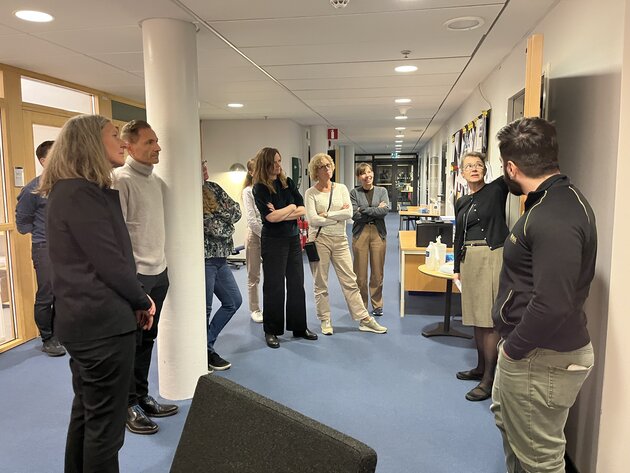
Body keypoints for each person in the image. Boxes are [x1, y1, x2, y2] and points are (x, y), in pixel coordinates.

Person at [39, 114, 155, 473]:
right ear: (90, 142)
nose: (123, 142)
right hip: (100, 325)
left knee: (88, 414)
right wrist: (140, 298)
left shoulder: (71, 190)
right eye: (114, 135)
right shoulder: (81, 193)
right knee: (105, 428)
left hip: (87, 321)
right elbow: (110, 260)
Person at [491, 117, 596, 473]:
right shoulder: (553, 201)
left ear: (510, 167)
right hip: (534, 352)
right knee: (516, 435)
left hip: (539, 356)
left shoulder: (553, 215)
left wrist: (513, 350)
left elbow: (552, 303)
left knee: (541, 460)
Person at [113, 120, 178, 435]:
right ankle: (127, 405)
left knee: (148, 340)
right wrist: (130, 281)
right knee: (131, 342)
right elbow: (118, 236)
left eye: (157, 141)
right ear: (128, 145)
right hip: (135, 276)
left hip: (159, 272)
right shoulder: (119, 180)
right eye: (150, 142)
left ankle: (141, 396)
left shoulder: (156, 182)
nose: (158, 148)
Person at [304, 154, 387, 336]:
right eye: (322, 167)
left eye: (329, 165)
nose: (327, 169)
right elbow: (312, 219)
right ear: (315, 171)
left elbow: (349, 213)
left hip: (340, 240)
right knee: (320, 283)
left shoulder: (341, 188)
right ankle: (325, 319)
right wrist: (334, 215)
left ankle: (364, 319)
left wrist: (326, 215)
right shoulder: (311, 193)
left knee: (350, 280)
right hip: (319, 240)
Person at [452, 151, 509, 402]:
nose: (474, 169)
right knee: (476, 316)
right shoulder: (461, 200)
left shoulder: (497, 190)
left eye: (478, 165)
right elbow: (458, 236)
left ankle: (489, 378)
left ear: (485, 169)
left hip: (490, 255)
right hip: (469, 259)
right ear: (462, 173)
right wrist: (456, 267)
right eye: (469, 166)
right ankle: (479, 368)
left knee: (488, 318)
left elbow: (511, 168)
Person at [252, 147, 317, 349]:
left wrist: (284, 211)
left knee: (297, 283)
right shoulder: (260, 188)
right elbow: (270, 218)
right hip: (273, 242)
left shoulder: (287, 183)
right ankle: (271, 330)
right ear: (266, 164)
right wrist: (290, 209)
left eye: (280, 161)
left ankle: (299, 326)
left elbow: (302, 208)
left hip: (292, 239)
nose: (278, 165)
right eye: (274, 162)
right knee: (274, 286)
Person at [15, 140, 66, 357]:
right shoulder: (32, 188)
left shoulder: (67, 185)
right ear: (44, 161)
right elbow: (22, 223)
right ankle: (47, 338)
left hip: (68, 247)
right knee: (47, 294)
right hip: (44, 247)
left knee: (65, 292)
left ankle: (61, 332)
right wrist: (42, 232)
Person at [202, 160, 243, 369]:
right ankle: (205, 352)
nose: (206, 169)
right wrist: (223, 219)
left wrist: (219, 216)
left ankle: (204, 346)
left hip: (221, 259)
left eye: (206, 164)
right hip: (205, 260)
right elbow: (215, 229)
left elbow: (237, 212)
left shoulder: (213, 188)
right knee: (205, 310)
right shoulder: (190, 193)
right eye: (201, 166)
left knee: (234, 301)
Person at [349, 163, 390, 316]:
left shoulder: (382, 191)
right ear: (359, 177)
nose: (367, 175)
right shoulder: (354, 192)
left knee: (377, 272)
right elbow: (354, 214)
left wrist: (363, 209)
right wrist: (375, 210)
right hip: (360, 233)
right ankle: (362, 305)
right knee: (360, 273)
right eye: (363, 173)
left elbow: (385, 211)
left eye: (369, 172)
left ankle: (377, 304)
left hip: (378, 233)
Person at [242, 158, 263, 323]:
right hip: (255, 236)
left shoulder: (267, 188)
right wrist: (266, 234)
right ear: (251, 172)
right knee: (253, 274)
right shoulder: (248, 191)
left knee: (272, 275)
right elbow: (252, 219)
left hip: (270, 236)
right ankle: (254, 309)